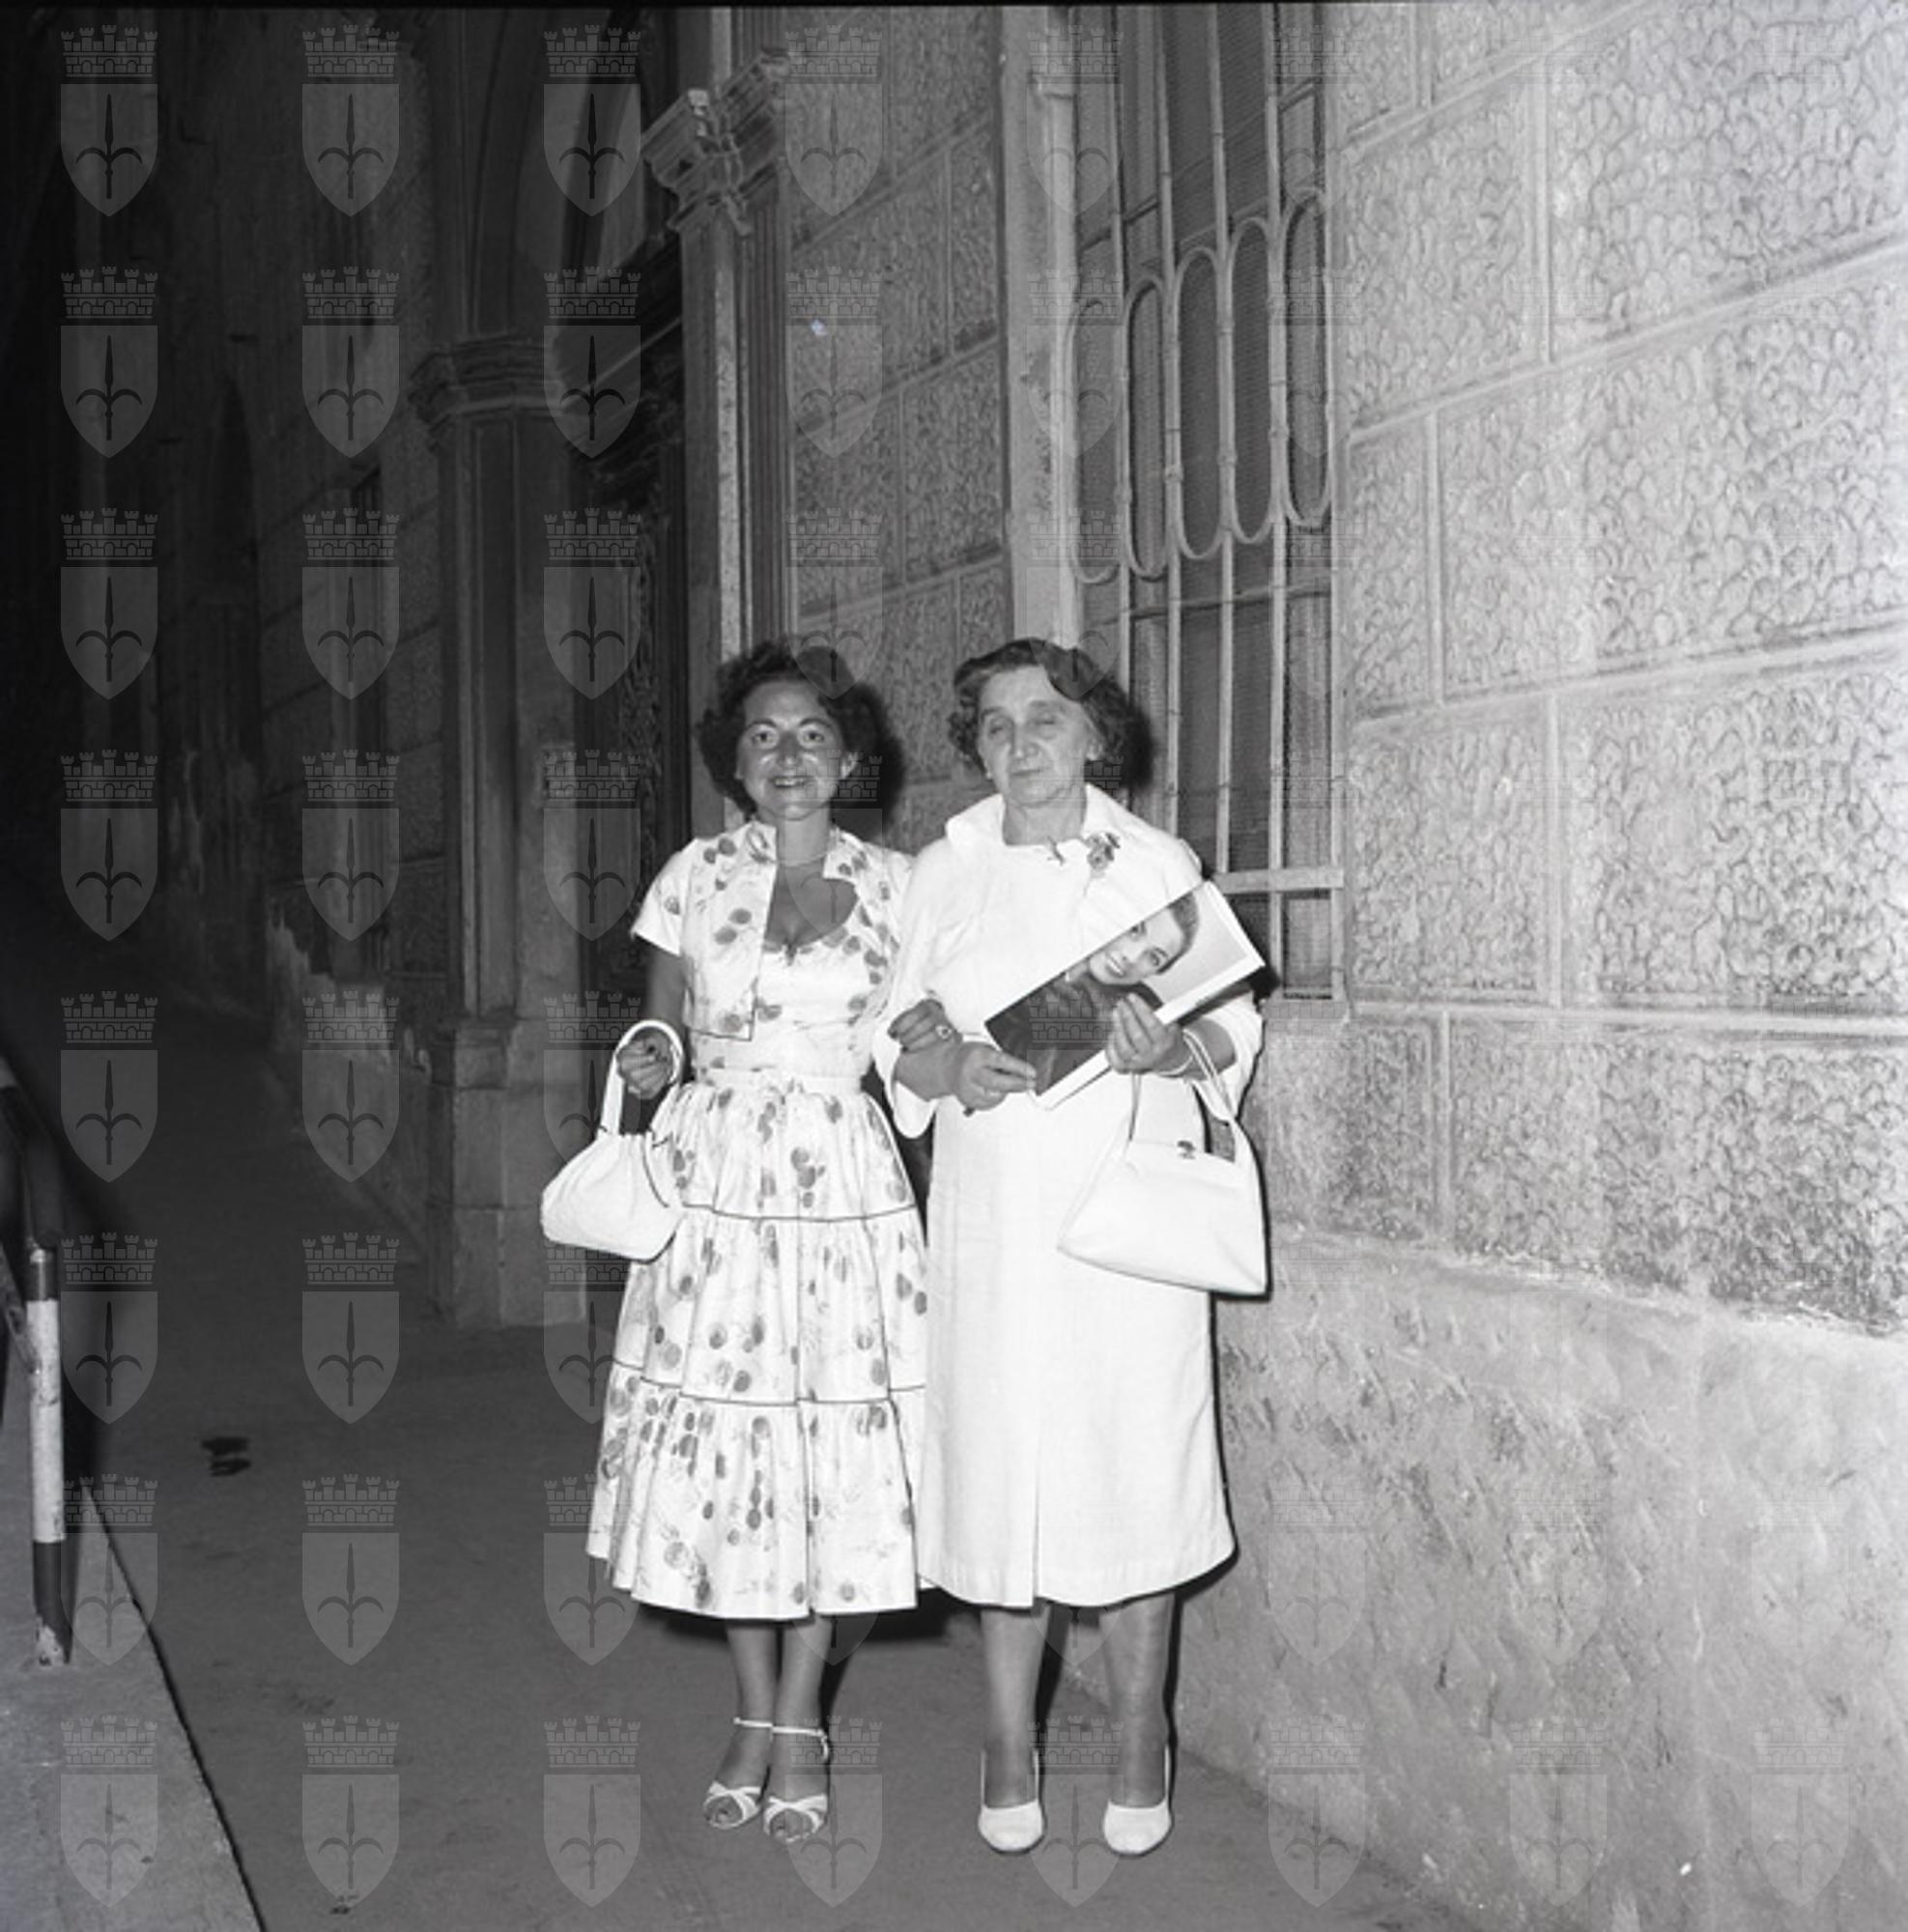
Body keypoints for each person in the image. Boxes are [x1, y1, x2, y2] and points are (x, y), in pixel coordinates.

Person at [880, 638, 1262, 1859]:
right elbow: (893, 1025)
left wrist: (1177, 1047)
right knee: (1001, 1472)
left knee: (1134, 1461)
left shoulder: (1156, 865)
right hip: (993, 1212)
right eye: (994, 725)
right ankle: (1006, 1740)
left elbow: (1231, 1024)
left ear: (1095, 734)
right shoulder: (942, 869)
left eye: (1044, 718)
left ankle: (1142, 1732)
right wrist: (944, 1061)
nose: (1020, 743)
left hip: (1123, 1212)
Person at [584, 641, 925, 1843]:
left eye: (812, 733)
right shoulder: (691, 875)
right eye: (764, 736)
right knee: (732, 1449)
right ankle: (749, 1709)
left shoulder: (901, 886)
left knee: (828, 1449)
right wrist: (648, 1057)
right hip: (717, 1182)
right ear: (734, 763)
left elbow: (917, 1038)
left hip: (842, 1186)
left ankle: (799, 1718)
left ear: (851, 756)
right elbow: (663, 1028)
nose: (789, 755)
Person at [986, 893, 1199, 1093]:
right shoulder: (1037, 929)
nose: (1132, 956)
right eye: (1135, 930)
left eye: (1153, 958)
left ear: (1159, 970)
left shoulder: (1139, 1014)